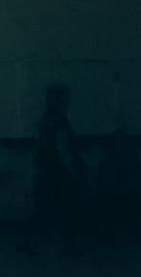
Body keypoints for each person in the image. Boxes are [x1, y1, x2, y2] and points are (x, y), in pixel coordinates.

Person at [16, 84, 89, 257]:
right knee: (65, 209)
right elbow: (62, 149)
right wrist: (74, 169)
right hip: (57, 174)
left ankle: (29, 242)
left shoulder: (45, 120)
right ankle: (69, 246)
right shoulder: (60, 121)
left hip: (45, 172)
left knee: (44, 210)